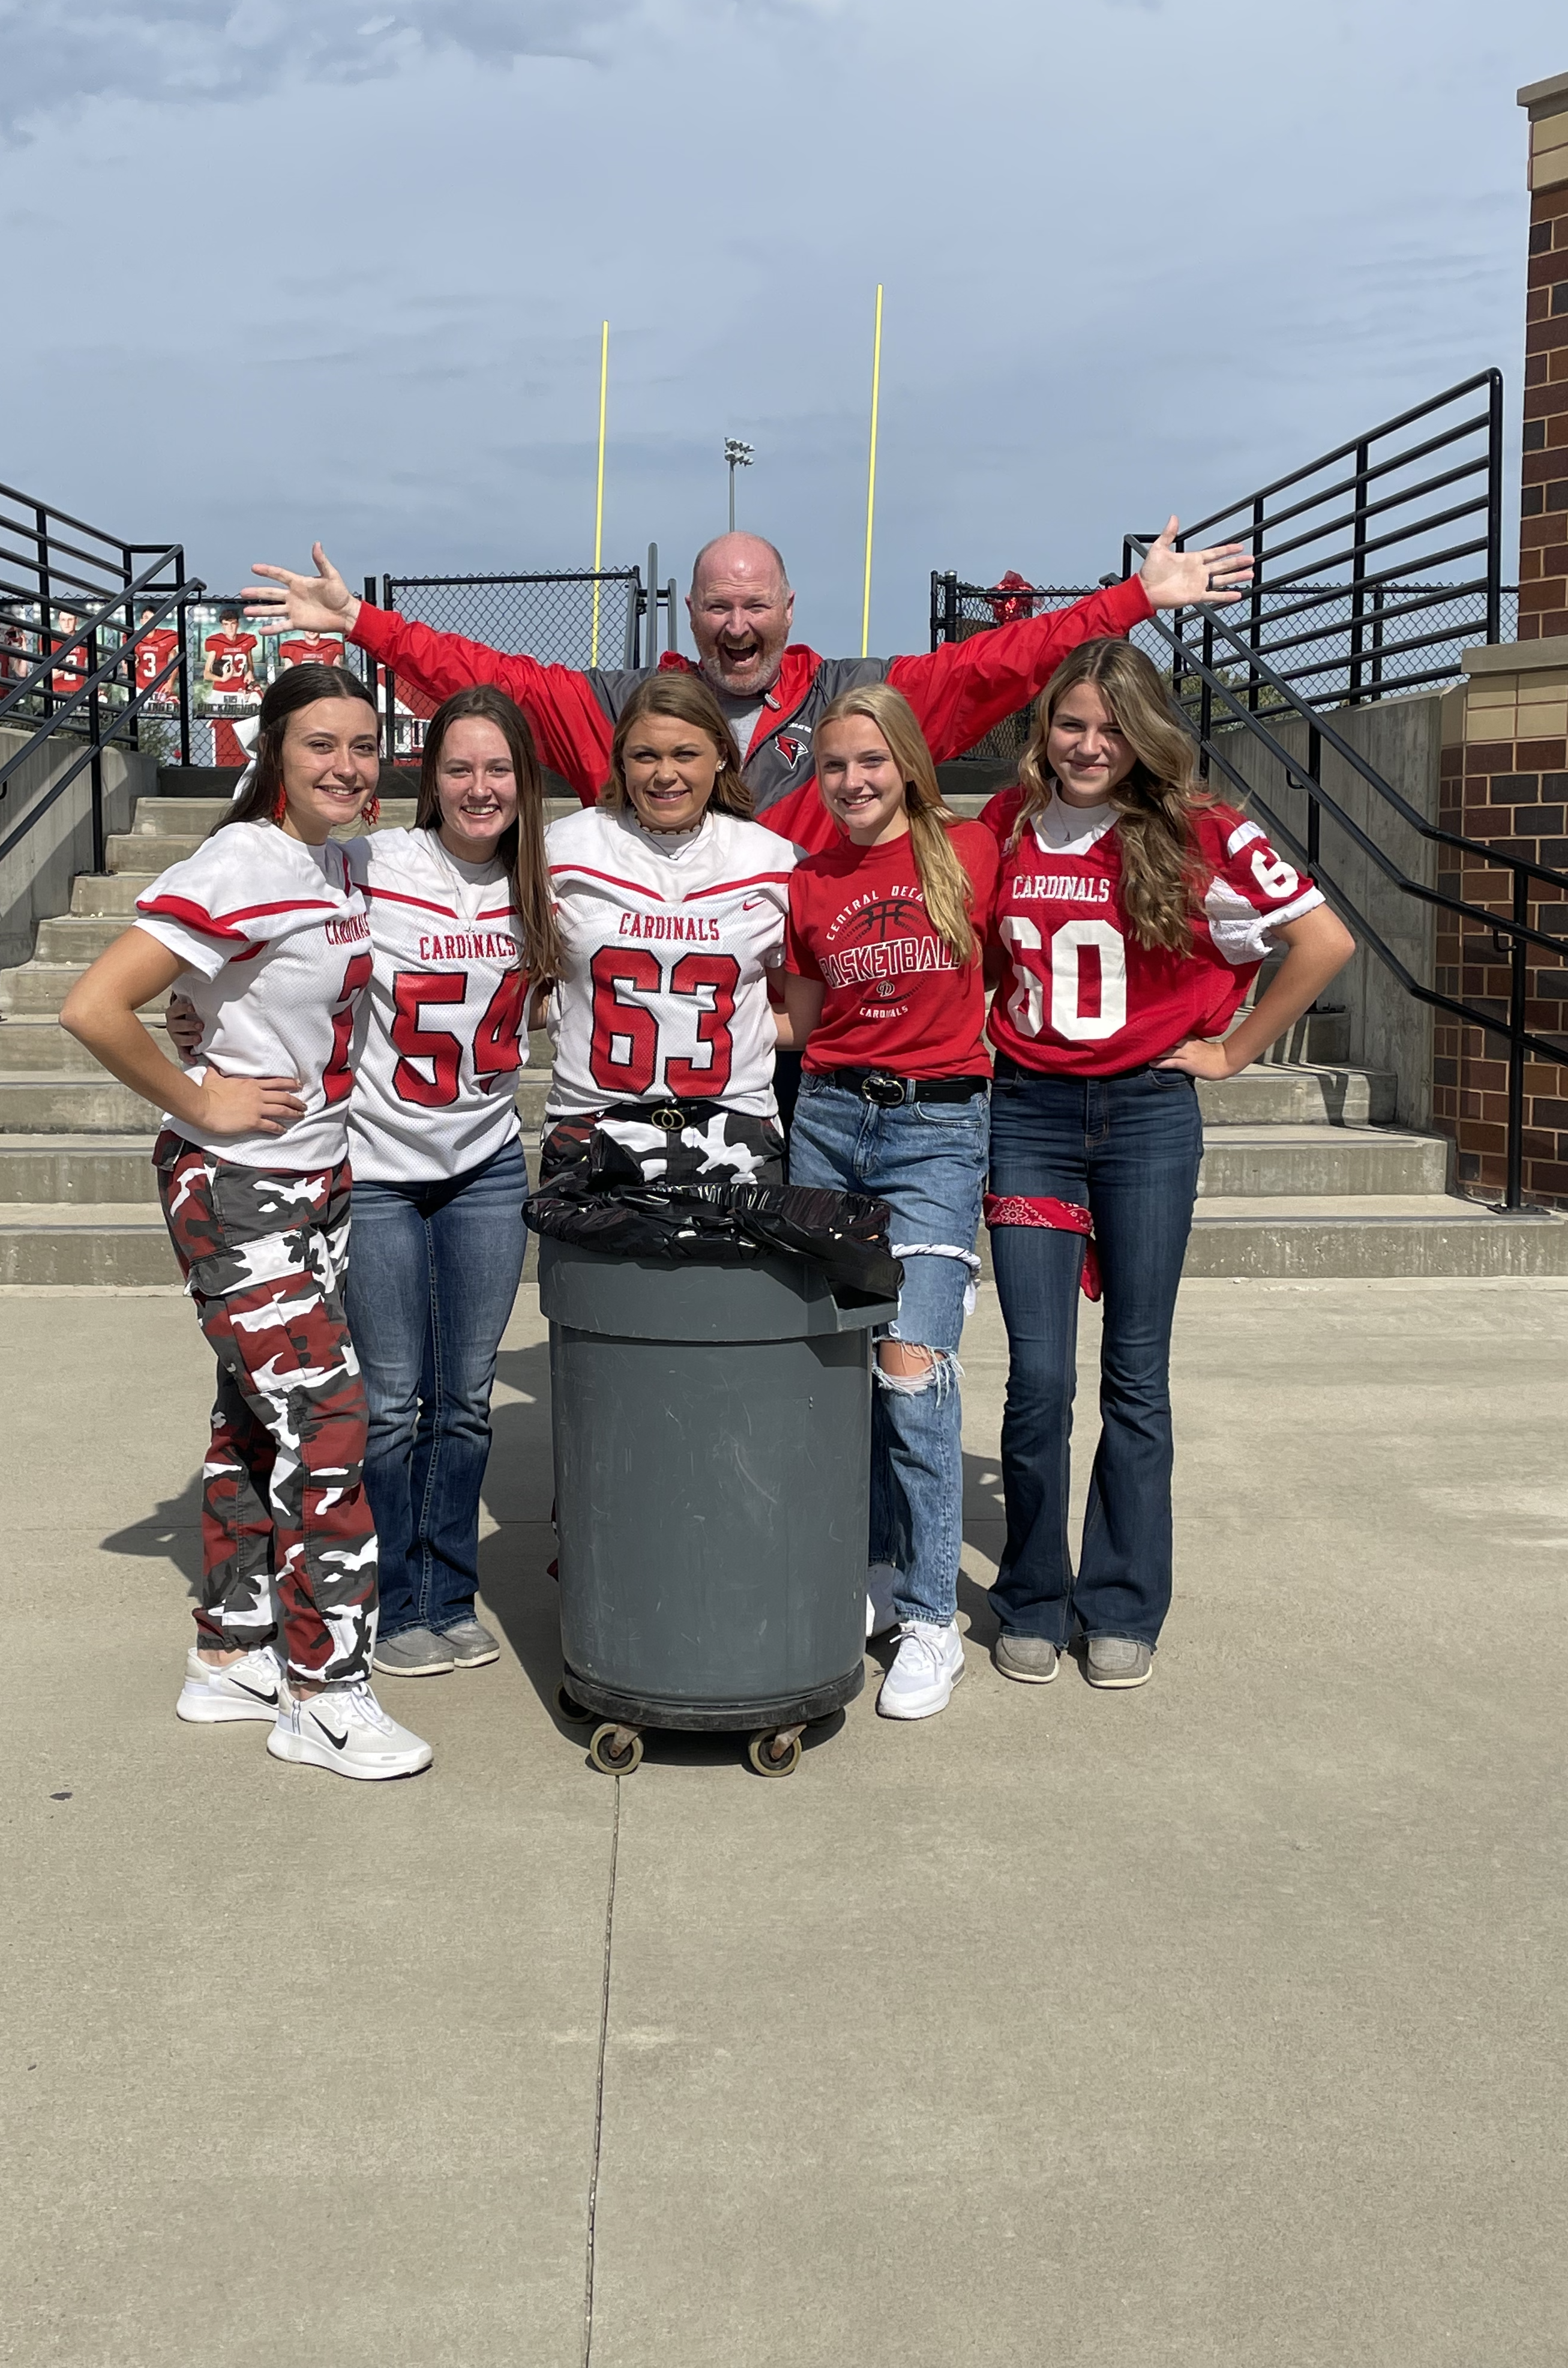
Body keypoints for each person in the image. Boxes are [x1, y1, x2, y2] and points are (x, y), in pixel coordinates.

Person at [59, 663, 433, 1783]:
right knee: (328, 1429)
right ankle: (325, 1695)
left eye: (364, 746)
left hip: (313, 1181)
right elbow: (94, 1004)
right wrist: (199, 1096)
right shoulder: (240, 863)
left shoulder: (334, 863)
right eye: (321, 744)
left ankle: (230, 1652)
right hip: (239, 1187)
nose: (347, 766)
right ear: (271, 750)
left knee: (254, 1421)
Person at [981, 639, 1354, 1691]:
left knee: (1132, 1371)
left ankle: (1120, 1600)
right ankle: (1030, 1592)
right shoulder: (1007, 827)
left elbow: (1321, 941)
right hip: (1032, 1117)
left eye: (1109, 726)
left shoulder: (1200, 831)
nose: (1087, 745)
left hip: (1146, 1115)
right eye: (1068, 724)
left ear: (1143, 732)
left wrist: (1231, 1051)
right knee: (1037, 1377)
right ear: (1041, 728)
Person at [244, 526, 1255, 857]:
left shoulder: (866, 701)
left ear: (785, 605)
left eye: (754, 605)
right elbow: (488, 682)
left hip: (824, 1012)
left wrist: (1127, 600)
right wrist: (362, 625)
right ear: (688, 611)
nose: (736, 626)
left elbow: (1003, 663)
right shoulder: (627, 711)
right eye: (716, 607)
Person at [780, 684, 997, 1722]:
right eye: (832, 767)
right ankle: (866, 1570)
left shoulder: (972, 857)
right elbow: (805, 1024)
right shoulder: (809, 881)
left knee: (911, 1371)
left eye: (869, 761)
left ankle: (927, 1616)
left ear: (907, 762)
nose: (852, 782)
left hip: (935, 1133)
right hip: (828, 1122)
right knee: (840, 1368)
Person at [338, 685, 565, 1676]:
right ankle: (393, 1602)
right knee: (391, 1399)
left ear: (524, 779)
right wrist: (193, 1007)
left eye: (498, 768)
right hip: (379, 1168)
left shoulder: (540, 879)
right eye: (459, 768)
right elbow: (246, 912)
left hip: (480, 1167)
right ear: (427, 778)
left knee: (464, 1397)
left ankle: (448, 1589)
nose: (480, 787)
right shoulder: (377, 862)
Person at [539, 669, 797, 1183]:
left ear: (722, 754)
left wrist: (744, 1034)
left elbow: (805, 999)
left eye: (685, 754)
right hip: (594, 1128)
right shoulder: (562, 848)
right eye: (645, 756)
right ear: (620, 761)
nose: (664, 774)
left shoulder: (773, 859)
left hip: (732, 1131)